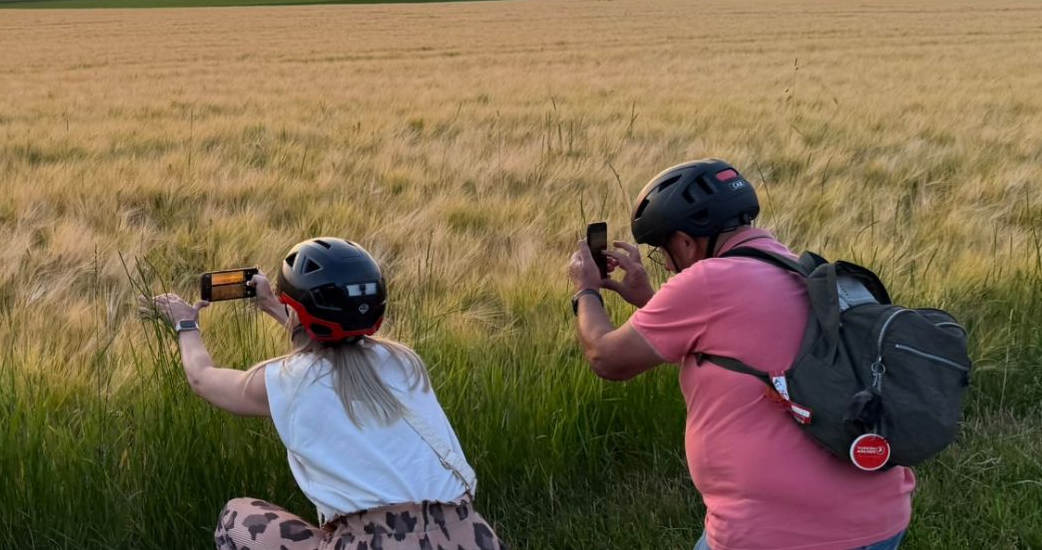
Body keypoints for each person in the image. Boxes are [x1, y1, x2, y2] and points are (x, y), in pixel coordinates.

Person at [562, 159, 915, 550]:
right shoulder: (799, 268)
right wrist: (650, 299)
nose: (666, 263)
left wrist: (586, 290)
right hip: (880, 519)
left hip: (780, 533)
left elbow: (607, 358)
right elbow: (726, 339)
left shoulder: (708, 281)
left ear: (685, 241)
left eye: (663, 250)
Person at [145, 237, 505, 550]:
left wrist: (186, 322)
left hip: (373, 542)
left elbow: (202, 379)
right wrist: (276, 307)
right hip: (471, 535)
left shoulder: (288, 381)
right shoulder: (404, 362)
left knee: (236, 518)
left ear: (297, 309)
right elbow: (333, 348)